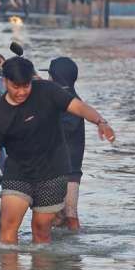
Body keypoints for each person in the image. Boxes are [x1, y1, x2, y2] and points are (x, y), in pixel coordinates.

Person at [0, 57, 116, 244]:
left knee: (42, 231)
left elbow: (78, 107)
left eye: (25, 86)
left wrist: (100, 121)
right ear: (5, 82)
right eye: (15, 87)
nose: (21, 92)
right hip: (18, 174)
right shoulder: (0, 113)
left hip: (52, 172)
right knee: (8, 230)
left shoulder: (48, 91)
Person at [46, 58, 84, 231]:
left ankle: (75, 251)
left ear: (57, 79)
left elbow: (65, 128)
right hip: (56, 171)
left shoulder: (72, 104)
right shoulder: (62, 100)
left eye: (50, 77)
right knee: (55, 218)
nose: (48, 80)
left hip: (69, 173)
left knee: (70, 216)